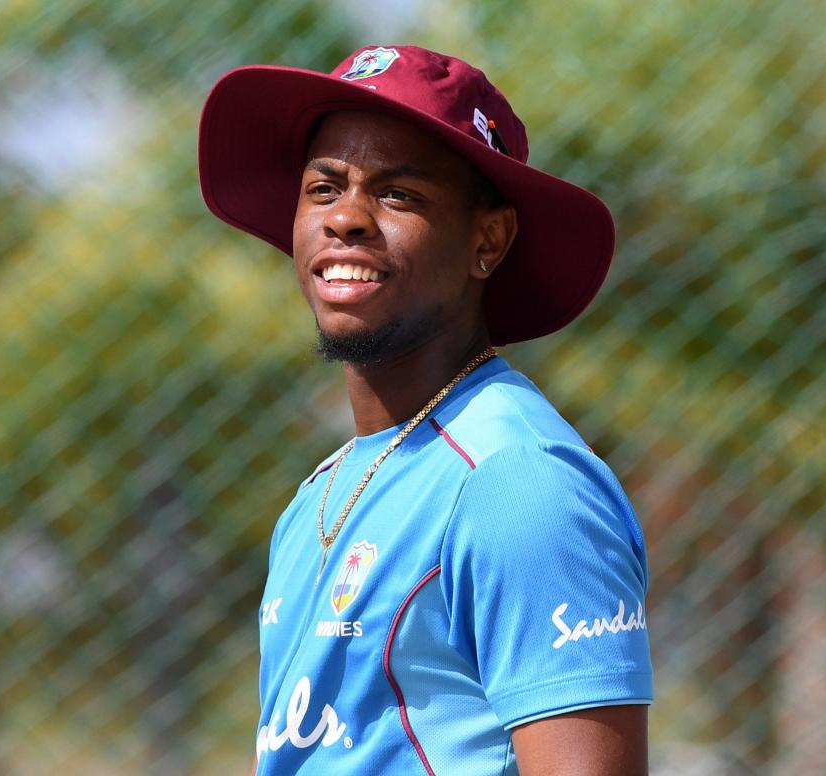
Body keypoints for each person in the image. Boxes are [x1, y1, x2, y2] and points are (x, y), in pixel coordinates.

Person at [198, 45, 652, 775]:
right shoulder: (320, 493)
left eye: (397, 194)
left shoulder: (516, 480)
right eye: (323, 188)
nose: (346, 217)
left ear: (486, 240)